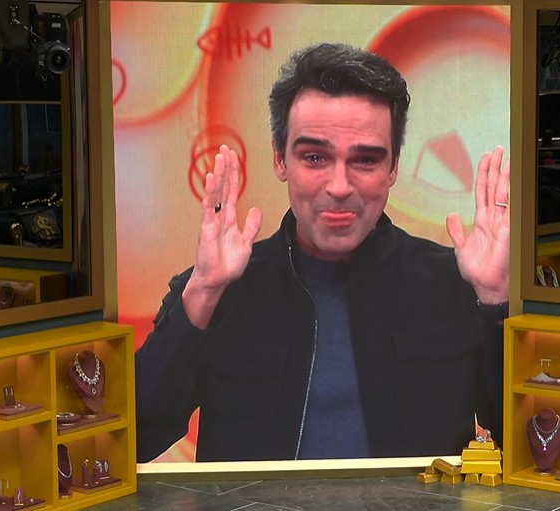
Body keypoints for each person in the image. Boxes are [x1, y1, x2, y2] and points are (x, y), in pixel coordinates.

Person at [135, 42, 510, 462]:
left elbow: (524, 437)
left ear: (393, 168)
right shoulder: (217, 290)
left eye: (365, 160)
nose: (339, 186)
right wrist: (203, 291)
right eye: (315, 157)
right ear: (280, 159)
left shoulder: (455, 286)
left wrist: (497, 304)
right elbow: (135, 438)